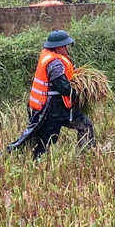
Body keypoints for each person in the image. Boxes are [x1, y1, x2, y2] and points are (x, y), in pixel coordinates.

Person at [7, 30, 96, 158]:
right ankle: (26, 159)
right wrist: (82, 92)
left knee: (85, 124)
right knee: (45, 141)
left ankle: (87, 156)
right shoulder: (55, 64)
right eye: (65, 46)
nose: (67, 49)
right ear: (58, 47)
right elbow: (63, 88)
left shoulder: (48, 57)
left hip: (55, 107)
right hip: (51, 109)